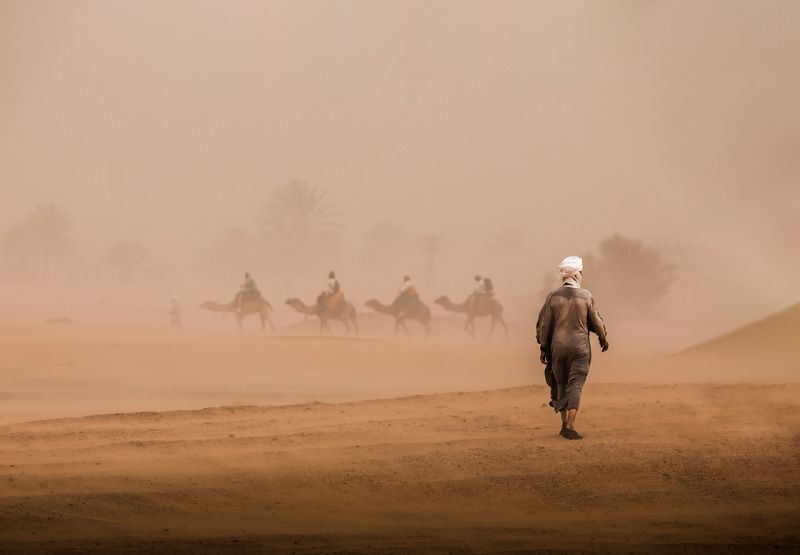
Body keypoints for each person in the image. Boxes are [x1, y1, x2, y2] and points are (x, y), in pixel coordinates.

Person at [536, 256, 609, 440]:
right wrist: (603, 338)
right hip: (580, 348)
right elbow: (597, 322)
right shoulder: (586, 296)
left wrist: (543, 347)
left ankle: (562, 425)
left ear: (563, 276)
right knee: (575, 384)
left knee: (560, 382)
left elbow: (544, 325)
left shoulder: (553, 296)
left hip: (558, 347)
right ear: (578, 274)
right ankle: (570, 425)